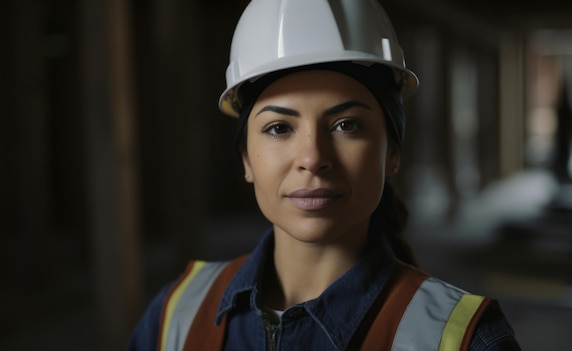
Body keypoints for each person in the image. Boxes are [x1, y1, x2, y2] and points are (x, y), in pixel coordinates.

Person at [128, 0, 521, 350]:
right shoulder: (177, 314)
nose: (313, 158)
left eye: (346, 125)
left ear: (393, 155)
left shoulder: (466, 339)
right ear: (246, 159)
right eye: (280, 128)